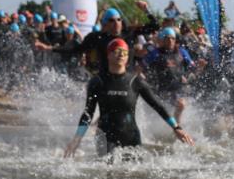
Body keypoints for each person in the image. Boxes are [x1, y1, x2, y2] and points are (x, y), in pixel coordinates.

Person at [64, 39, 194, 157]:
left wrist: (176, 128)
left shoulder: (135, 82)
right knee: (107, 172)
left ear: (127, 57)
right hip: (105, 138)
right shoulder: (97, 82)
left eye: (124, 52)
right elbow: (88, 113)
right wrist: (77, 138)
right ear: (109, 55)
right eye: (117, 51)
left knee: (135, 174)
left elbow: (158, 106)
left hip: (131, 137)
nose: (121, 54)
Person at [143, 27, 195, 124]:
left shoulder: (182, 52)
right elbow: (142, 66)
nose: (170, 40)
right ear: (162, 40)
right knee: (180, 105)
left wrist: (188, 75)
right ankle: (176, 127)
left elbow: (192, 68)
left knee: (182, 105)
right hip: (164, 89)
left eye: (173, 38)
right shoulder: (156, 53)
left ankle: (177, 126)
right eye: (167, 38)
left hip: (180, 86)